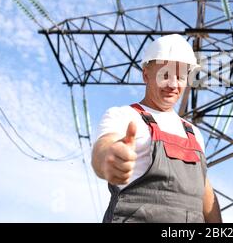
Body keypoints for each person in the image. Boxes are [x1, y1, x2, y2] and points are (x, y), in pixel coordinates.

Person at [91, 34, 222, 223]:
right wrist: (109, 158)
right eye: (165, 75)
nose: (173, 84)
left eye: (180, 77)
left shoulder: (193, 133)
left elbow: (204, 191)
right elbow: (103, 149)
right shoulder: (124, 116)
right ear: (146, 75)